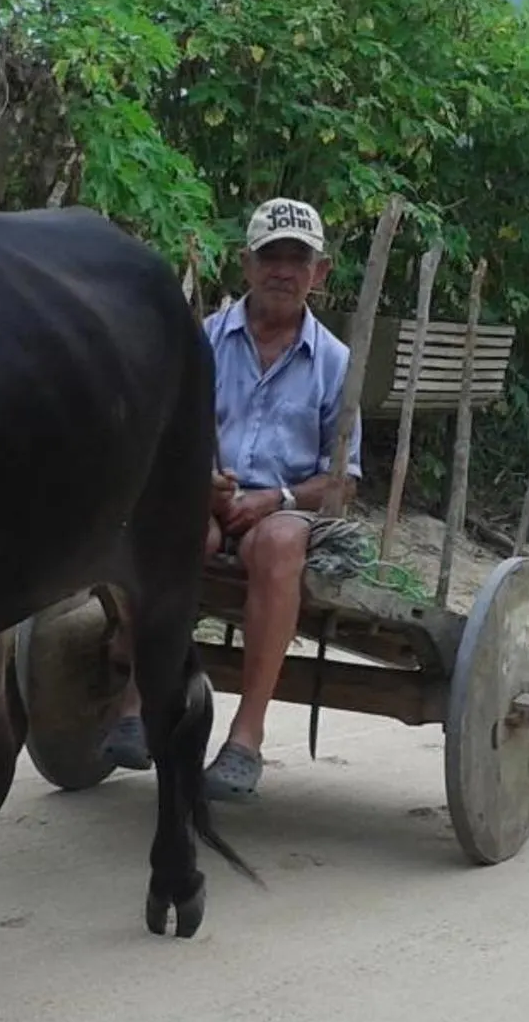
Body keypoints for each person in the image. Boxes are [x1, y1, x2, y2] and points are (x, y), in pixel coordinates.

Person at [98, 195, 363, 800]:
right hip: (203, 502)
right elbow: (161, 437)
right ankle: (137, 703)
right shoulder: (204, 341)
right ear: (247, 264)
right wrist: (197, 480)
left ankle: (246, 737)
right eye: (272, 256)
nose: (283, 271)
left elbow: (342, 481)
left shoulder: (335, 364)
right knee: (180, 529)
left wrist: (278, 497)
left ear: (319, 274)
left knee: (277, 543)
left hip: (287, 512)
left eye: (299, 260)